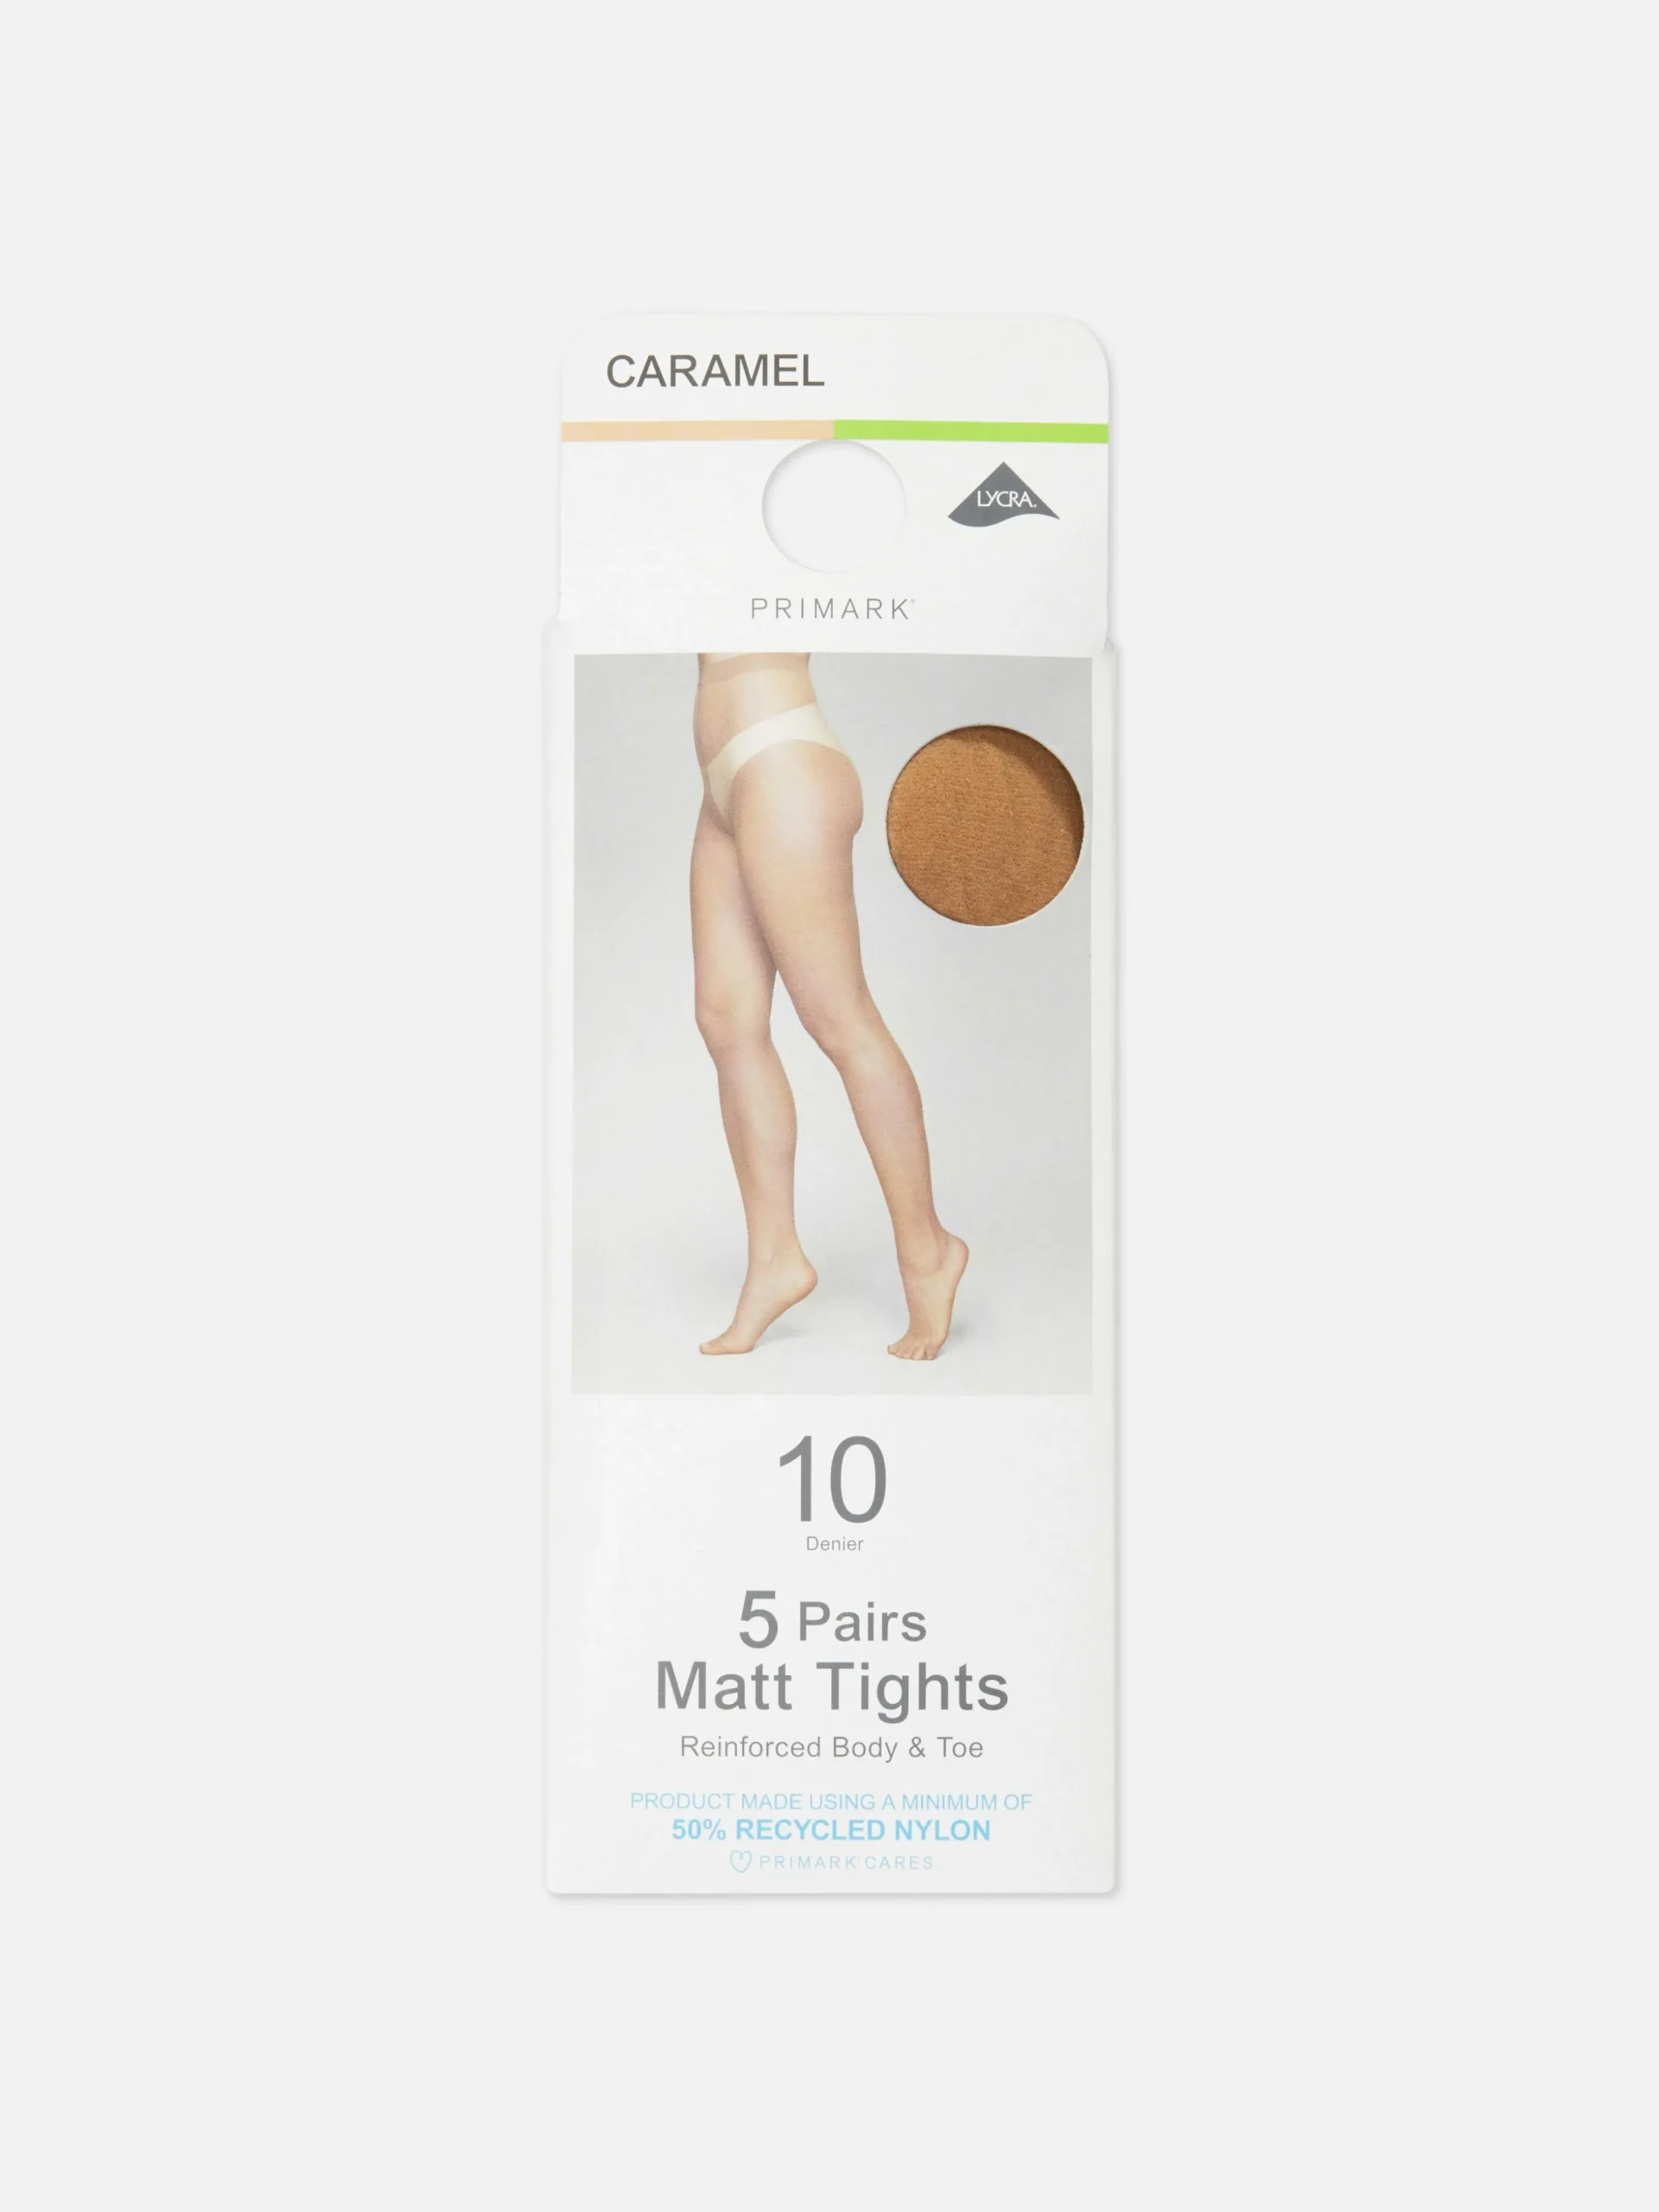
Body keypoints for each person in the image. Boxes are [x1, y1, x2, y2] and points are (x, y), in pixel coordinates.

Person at [690, 652, 968, 1360]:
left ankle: (929, 1250)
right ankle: (774, 1259)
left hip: (780, 756)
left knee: (839, 1018)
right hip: (725, 780)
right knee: (725, 1019)